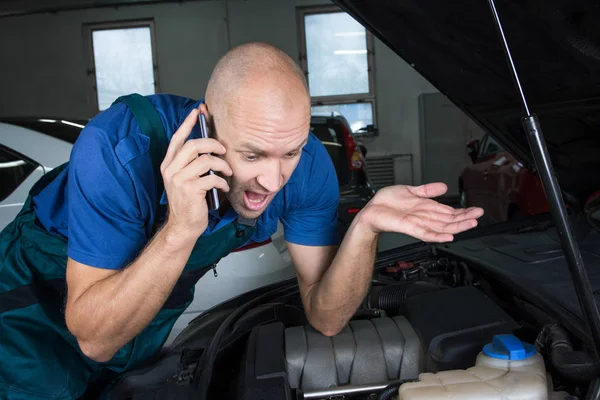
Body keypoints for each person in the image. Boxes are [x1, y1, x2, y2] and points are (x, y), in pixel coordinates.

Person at [0, 42, 483, 399]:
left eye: (289, 152)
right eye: (252, 154)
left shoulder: (308, 166)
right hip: (29, 313)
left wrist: (366, 229)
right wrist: (182, 228)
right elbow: (94, 338)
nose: (273, 179)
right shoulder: (118, 148)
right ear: (207, 125)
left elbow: (327, 317)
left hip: (138, 319)